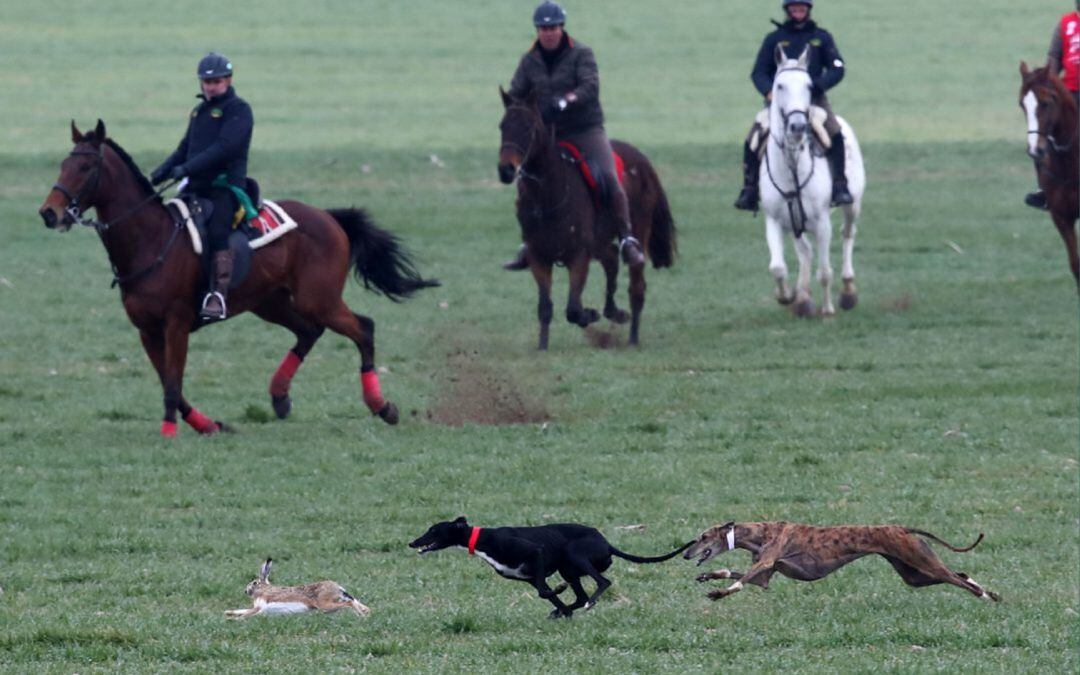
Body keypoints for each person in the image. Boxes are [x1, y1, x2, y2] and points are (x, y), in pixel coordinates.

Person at [502, 1, 646, 271]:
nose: (549, 32)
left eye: (553, 27)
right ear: (537, 30)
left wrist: (567, 100)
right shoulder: (529, 61)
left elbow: (589, 85)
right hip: (549, 133)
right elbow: (517, 93)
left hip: (584, 129)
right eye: (543, 28)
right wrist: (517, 112)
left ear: (562, 28)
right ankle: (528, 243)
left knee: (608, 176)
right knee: (526, 182)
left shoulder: (581, 53)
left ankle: (627, 239)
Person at [151, 52, 254, 321]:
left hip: (224, 188)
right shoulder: (199, 111)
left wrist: (186, 169)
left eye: (217, 81)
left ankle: (217, 294)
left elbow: (224, 149)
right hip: (195, 187)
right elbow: (185, 148)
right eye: (206, 82)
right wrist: (160, 173)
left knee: (217, 230)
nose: (211, 86)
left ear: (228, 80)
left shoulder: (239, 110)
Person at [734, 0, 853, 212]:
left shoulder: (821, 37)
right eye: (794, 8)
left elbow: (837, 68)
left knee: (834, 132)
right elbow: (758, 72)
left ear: (808, 10)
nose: (798, 11)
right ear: (787, 11)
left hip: (814, 100)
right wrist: (769, 92)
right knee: (753, 138)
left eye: (802, 8)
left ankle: (839, 185)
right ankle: (750, 189)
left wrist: (817, 86)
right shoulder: (774, 39)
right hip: (780, 103)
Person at [1025, 1, 1080, 210]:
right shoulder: (1066, 24)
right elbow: (1054, 56)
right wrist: (1050, 85)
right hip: (1068, 93)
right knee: (1042, 132)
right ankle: (1044, 189)